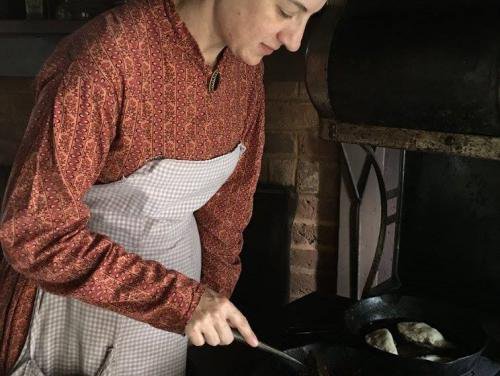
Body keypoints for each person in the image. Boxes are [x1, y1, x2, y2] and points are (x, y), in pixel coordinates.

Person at [0, 0, 326, 375]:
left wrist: (211, 297)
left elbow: (229, 207)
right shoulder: (105, 60)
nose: (294, 40)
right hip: (79, 311)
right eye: (287, 11)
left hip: (176, 307)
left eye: (310, 17)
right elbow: (33, 233)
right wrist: (181, 301)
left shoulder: (245, 74)